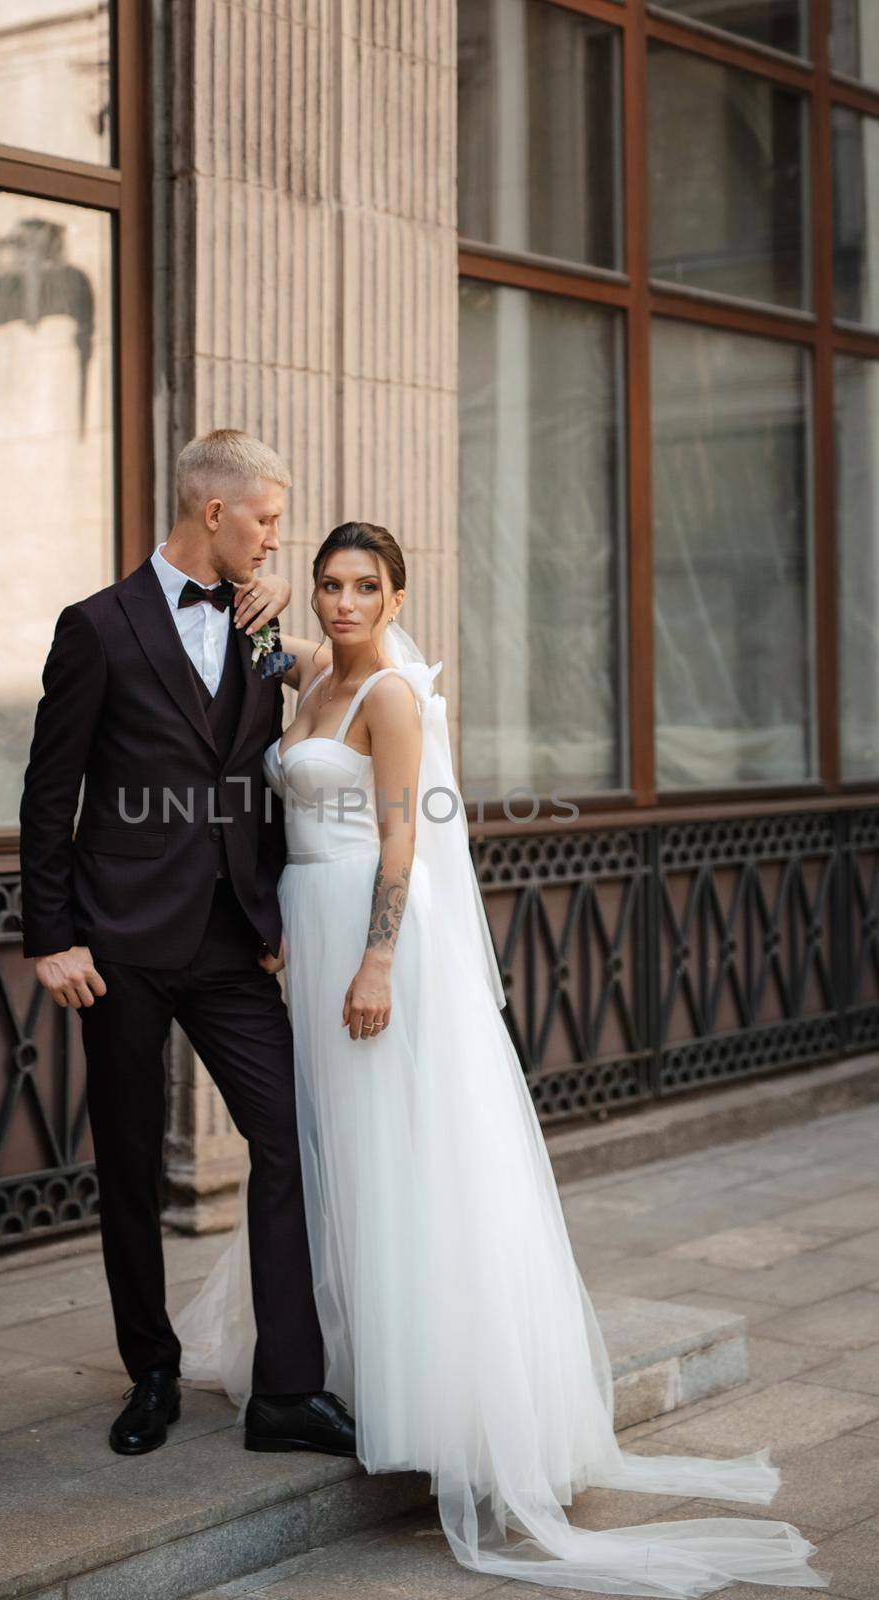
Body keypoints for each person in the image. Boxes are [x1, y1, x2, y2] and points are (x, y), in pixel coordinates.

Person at [174, 521, 830, 1595]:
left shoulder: (388, 693)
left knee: (401, 1153)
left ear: (395, 597)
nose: (342, 602)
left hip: (376, 940)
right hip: (311, 920)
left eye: (363, 587)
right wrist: (260, 593)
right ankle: (336, 1363)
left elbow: (401, 839)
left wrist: (377, 960)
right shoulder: (313, 677)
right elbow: (264, 645)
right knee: (330, 1152)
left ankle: (434, 1394)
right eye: (330, 584)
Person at [18, 429, 356, 1461]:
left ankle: (287, 1395)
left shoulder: (260, 630)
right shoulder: (97, 627)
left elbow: (348, 689)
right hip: (115, 946)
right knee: (127, 1162)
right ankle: (151, 1371)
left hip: (230, 945)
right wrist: (51, 936)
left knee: (290, 1137)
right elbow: (49, 793)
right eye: (264, 521)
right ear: (214, 513)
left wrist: (277, 912)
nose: (273, 543)